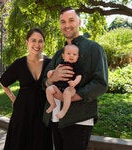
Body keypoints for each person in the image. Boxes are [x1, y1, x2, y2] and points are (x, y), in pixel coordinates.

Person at [43, 7, 108, 150]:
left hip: (79, 119)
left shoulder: (94, 48)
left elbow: (100, 84)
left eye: (71, 20)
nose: (67, 25)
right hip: (55, 118)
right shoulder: (59, 53)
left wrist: (70, 97)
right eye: (62, 22)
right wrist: (52, 78)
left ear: (79, 22)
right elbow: (44, 82)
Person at [0, 28, 53, 150]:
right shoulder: (19, 63)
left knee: (41, 143)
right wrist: (13, 99)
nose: (37, 44)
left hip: (43, 111)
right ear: (27, 42)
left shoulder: (50, 63)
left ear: (44, 43)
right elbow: (3, 81)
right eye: (33, 40)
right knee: (20, 143)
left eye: (40, 41)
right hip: (22, 111)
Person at [46, 44, 82, 119]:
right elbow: (55, 71)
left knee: (67, 92)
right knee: (49, 89)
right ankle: (52, 104)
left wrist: (74, 82)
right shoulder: (60, 64)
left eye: (74, 54)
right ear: (63, 56)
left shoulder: (76, 66)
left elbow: (79, 76)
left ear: (77, 57)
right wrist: (51, 72)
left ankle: (64, 111)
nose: (71, 56)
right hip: (58, 88)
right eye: (68, 53)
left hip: (70, 88)